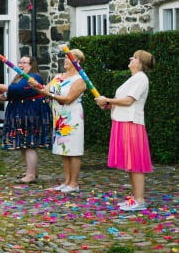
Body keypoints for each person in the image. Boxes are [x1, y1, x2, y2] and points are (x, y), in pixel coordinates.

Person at [94, 50, 155, 211]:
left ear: (140, 63)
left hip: (131, 122)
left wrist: (107, 99)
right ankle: (135, 198)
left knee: (135, 163)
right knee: (130, 163)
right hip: (122, 121)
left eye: (134, 57)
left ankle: (140, 200)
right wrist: (108, 105)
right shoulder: (133, 79)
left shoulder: (141, 78)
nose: (130, 59)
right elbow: (123, 101)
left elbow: (129, 101)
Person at [0, 56, 52, 183]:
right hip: (21, 114)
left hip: (31, 115)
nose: (21, 64)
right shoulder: (20, 77)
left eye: (24, 62)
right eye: (19, 62)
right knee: (24, 144)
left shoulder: (34, 77)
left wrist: (1, 86)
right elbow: (16, 92)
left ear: (31, 64)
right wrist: (5, 96)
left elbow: (21, 89)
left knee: (29, 144)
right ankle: (31, 171)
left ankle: (31, 175)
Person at [45, 48, 88, 193]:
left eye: (69, 58)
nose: (65, 61)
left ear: (78, 62)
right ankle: (67, 180)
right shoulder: (58, 76)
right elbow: (46, 90)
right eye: (65, 58)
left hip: (72, 116)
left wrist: (50, 95)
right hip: (59, 116)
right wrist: (37, 88)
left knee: (73, 150)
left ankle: (74, 183)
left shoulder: (80, 79)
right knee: (63, 149)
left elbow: (69, 99)